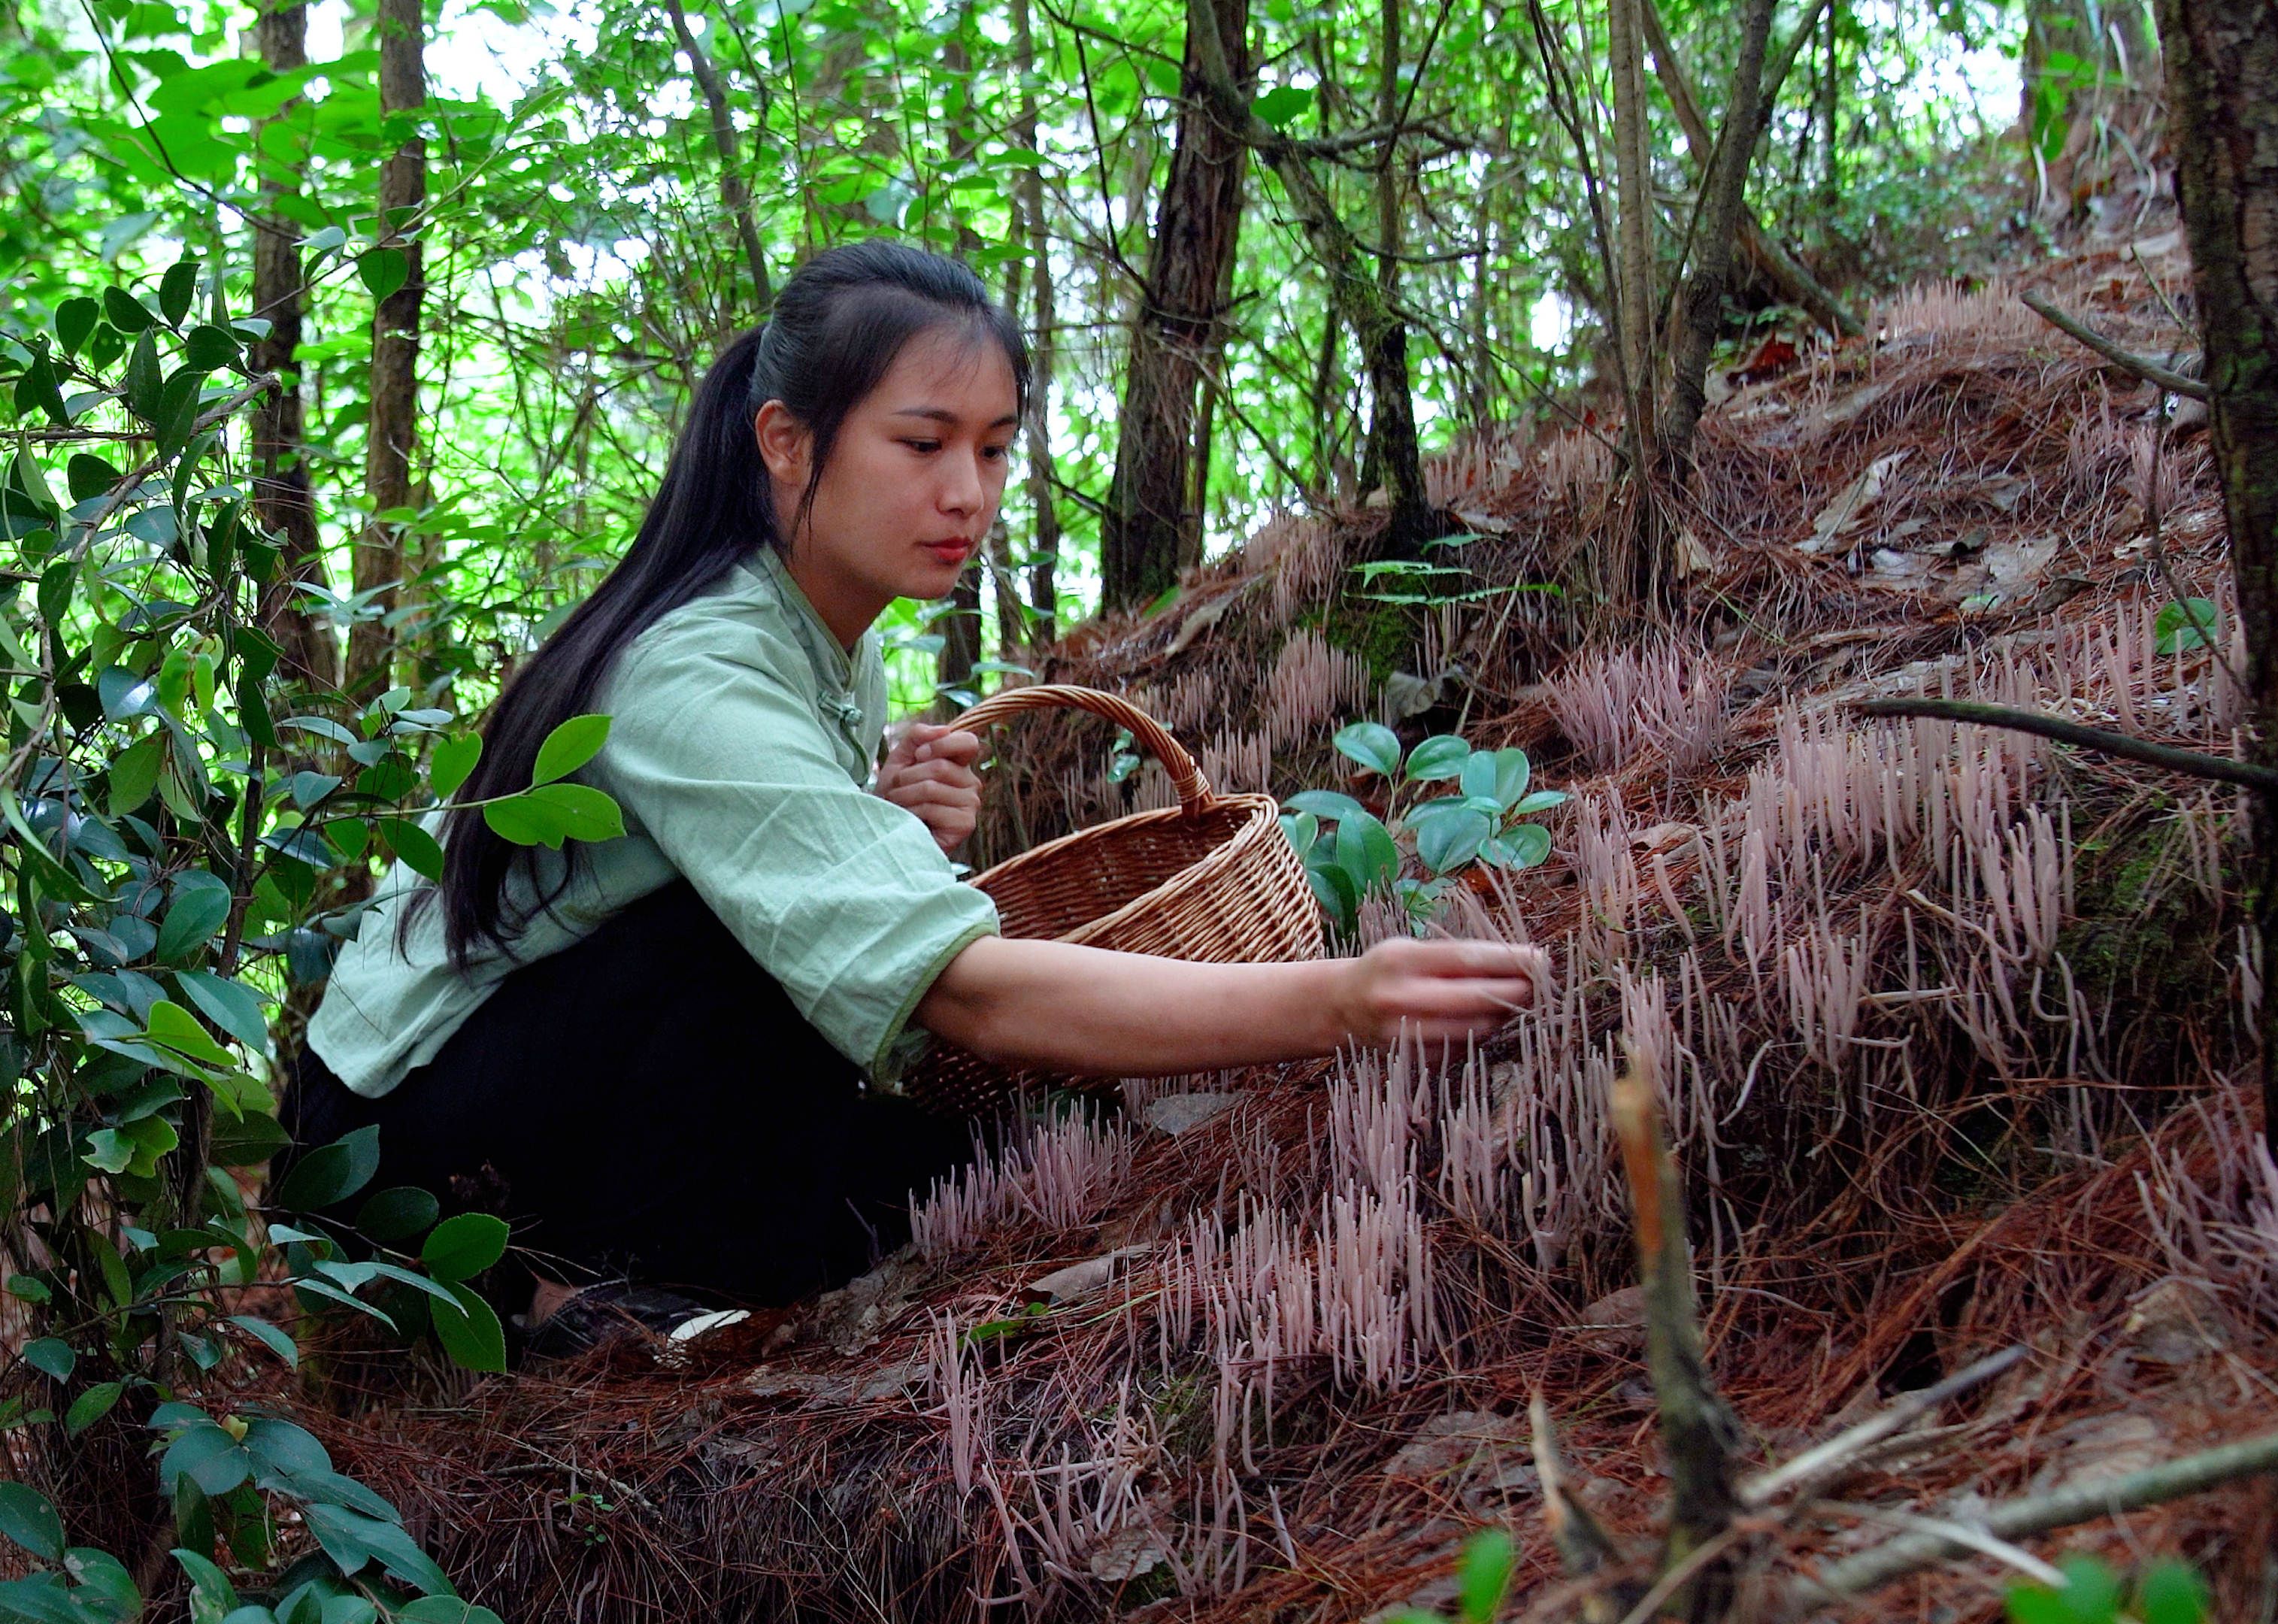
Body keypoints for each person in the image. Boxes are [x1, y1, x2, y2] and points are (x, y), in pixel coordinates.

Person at [289, 243, 1540, 1355]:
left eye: (994, 450)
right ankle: (543, 1295)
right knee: (834, 1143)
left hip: (591, 1055)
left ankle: (655, 1266)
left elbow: (765, 856)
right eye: (923, 443)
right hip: (411, 1136)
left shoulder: (841, 624)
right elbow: (953, 986)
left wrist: (873, 810)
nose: (970, 494)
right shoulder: (691, 663)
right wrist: (1335, 1001)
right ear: (787, 442)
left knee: (965, 1174)